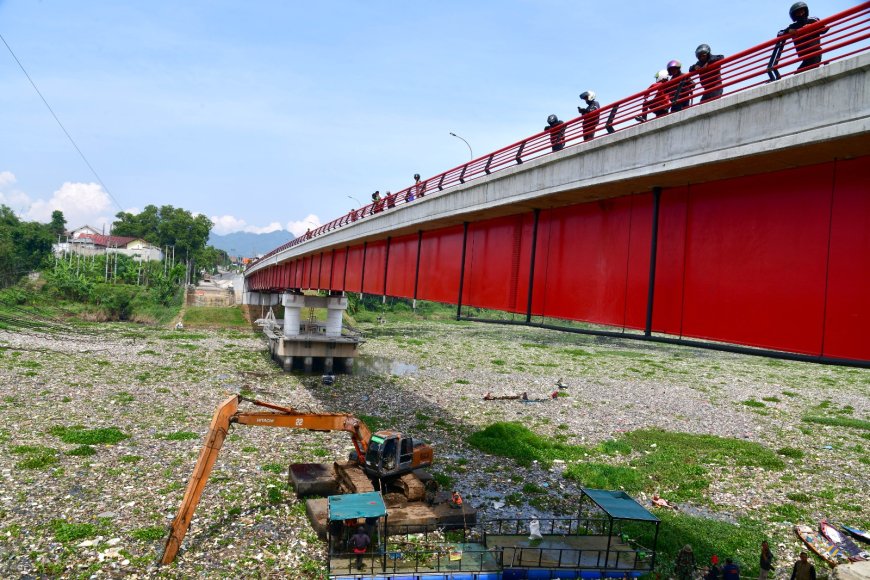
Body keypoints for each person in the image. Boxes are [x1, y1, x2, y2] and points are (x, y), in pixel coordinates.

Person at [778, 2, 828, 72]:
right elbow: (779, 33)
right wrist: (788, 31)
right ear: (794, 15)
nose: (801, 14)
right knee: (798, 74)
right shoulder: (793, 26)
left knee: (804, 73)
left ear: (805, 11)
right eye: (798, 13)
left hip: (815, 52)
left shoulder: (812, 20)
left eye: (802, 11)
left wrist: (812, 27)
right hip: (804, 56)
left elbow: (825, 28)